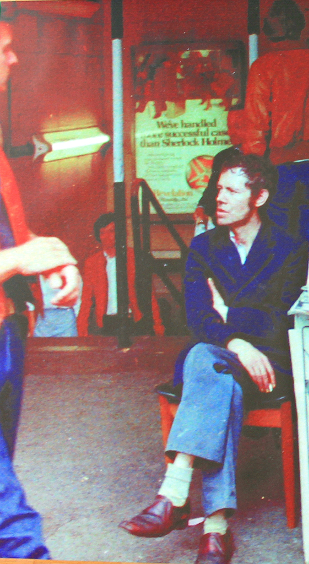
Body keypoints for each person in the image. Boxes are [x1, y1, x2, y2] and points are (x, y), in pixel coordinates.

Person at [120, 154, 308, 564]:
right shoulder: (204, 246)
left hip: (270, 364)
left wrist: (230, 316)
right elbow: (197, 317)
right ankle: (215, 528)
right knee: (214, 367)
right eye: (218, 188)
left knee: (208, 364)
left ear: (259, 197)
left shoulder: (290, 247)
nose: (217, 198)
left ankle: (174, 493)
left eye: (230, 190)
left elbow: (282, 319)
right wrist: (238, 340)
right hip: (226, 357)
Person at [0, 19, 80, 558]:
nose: (14, 61)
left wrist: (51, 261)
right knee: (14, 519)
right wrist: (18, 258)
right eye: (5, 50)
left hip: (6, 328)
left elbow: (14, 233)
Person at [230, 0, 309, 165]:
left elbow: (256, 124)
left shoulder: (264, 66)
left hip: (282, 161)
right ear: (300, 26)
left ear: (268, 30)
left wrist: (254, 165)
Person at [76, 213, 164, 337]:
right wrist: (82, 330)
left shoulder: (134, 257)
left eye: (111, 231)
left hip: (133, 320)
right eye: (102, 233)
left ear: (120, 233)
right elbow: (86, 299)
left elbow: (149, 294)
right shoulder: (92, 262)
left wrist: (157, 324)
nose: (107, 236)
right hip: (107, 322)